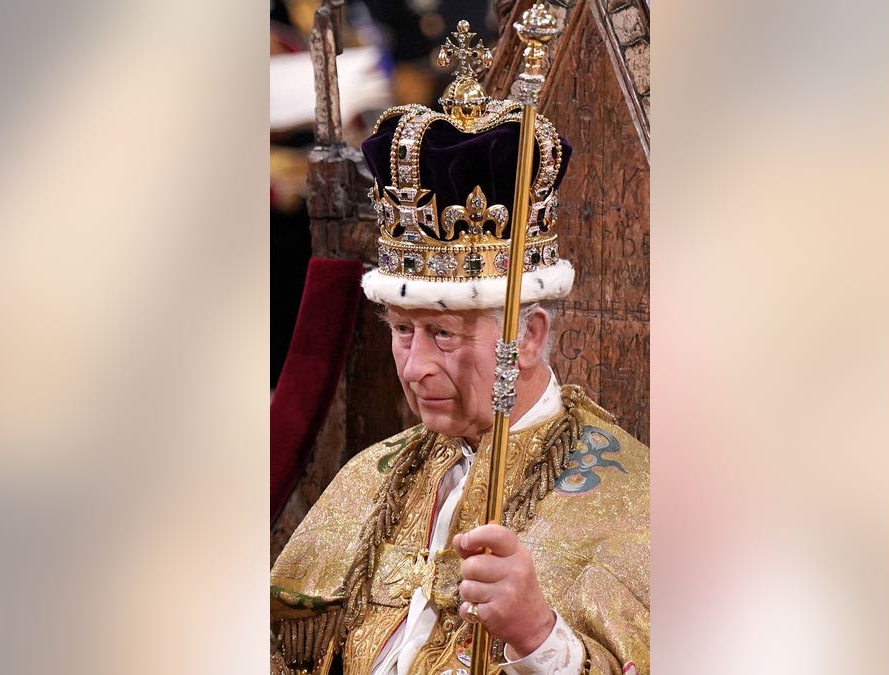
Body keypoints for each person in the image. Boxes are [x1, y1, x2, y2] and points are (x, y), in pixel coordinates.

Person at [271, 20, 649, 675]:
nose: (415, 367)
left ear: (527, 336)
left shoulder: (637, 502)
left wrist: (539, 637)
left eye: (443, 333)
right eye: (400, 328)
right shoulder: (372, 474)